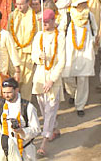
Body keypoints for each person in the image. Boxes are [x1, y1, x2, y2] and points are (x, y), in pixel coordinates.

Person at [31, 9, 66, 157]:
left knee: (50, 109)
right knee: (44, 108)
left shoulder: (60, 36)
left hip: (53, 78)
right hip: (40, 77)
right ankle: (54, 130)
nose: (44, 25)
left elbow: (62, 61)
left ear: (53, 21)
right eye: (43, 23)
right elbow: (33, 55)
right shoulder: (39, 35)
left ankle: (44, 143)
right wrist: (40, 57)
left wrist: (52, 79)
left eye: (47, 23)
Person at [62, 0, 97, 116]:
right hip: (70, 53)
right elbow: (61, 32)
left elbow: (95, 30)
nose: (83, 5)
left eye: (84, 3)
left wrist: (92, 42)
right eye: (81, 3)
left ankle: (80, 105)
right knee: (67, 77)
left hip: (85, 52)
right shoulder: (68, 16)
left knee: (83, 78)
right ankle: (72, 93)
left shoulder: (89, 16)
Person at [0, 78, 40, 161]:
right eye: (4, 92)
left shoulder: (27, 107)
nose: (6, 95)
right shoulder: (1, 107)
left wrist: (21, 131)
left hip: (25, 150)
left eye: (9, 92)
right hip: (7, 150)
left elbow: (36, 129)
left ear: (16, 90)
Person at [7, 0, 38, 102]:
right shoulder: (12, 16)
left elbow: (37, 38)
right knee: (14, 83)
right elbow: (9, 36)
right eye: (17, 4)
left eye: (21, 4)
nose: (19, 7)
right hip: (15, 55)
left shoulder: (34, 17)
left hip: (28, 55)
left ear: (27, 3)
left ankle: (25, 109)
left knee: (26, 84)